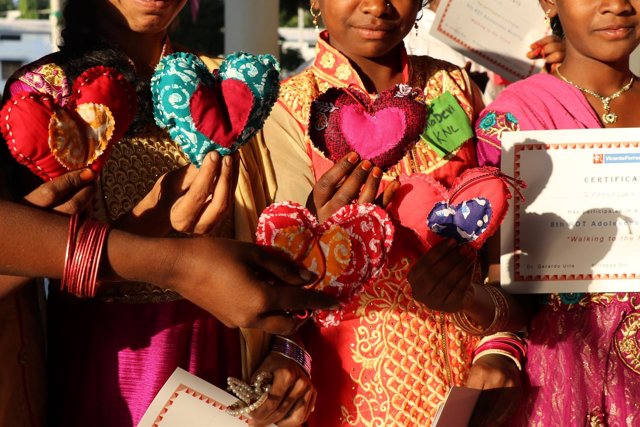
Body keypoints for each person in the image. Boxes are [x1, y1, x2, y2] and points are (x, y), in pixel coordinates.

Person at [0, 1, 322, 426]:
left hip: (225, 349)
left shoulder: (229, 88)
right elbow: (22, 266)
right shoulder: (46, 96)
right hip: (101, 367)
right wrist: (141, 245)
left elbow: (284, 241)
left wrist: (289, 351)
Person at [248, 0, 532, 425]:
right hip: (346, 391)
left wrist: (499, 349)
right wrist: (320, 237)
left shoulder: (451, 85)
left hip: (463, 378)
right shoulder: (288, 110)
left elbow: (501, 247)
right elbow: (276, 283)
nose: (378, 5)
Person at [475, 0, 640, 424]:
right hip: (560, 383)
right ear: (549, 2)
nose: (618, 6)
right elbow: (503, 284)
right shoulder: (514, 122)